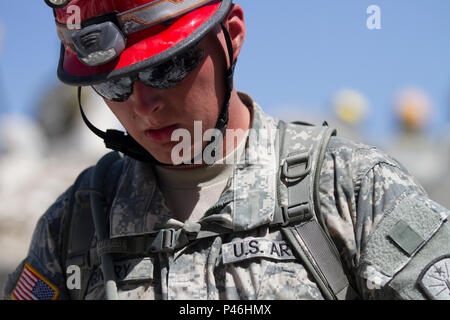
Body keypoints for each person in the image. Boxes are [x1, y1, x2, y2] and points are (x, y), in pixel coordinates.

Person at [3, 0, 449, 300]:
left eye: (166, 67)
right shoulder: (73, 228)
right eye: (114, 83)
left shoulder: (351, 189)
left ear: (231, 35)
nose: (143, 105)